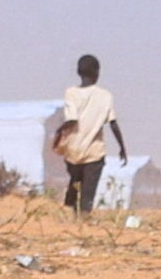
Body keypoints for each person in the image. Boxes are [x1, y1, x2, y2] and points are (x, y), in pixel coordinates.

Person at [48, 52, 127, 215]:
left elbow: (72, 120)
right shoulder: (105, 96)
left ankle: (71, 210)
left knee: (75, 181)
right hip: (94, 152)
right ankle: (84, 218)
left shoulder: (71, 92)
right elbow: (113, 123)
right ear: (97, 72)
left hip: (73, 150)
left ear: (78, 72)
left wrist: (59, 131)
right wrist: (122, 147)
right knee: (88, 188)